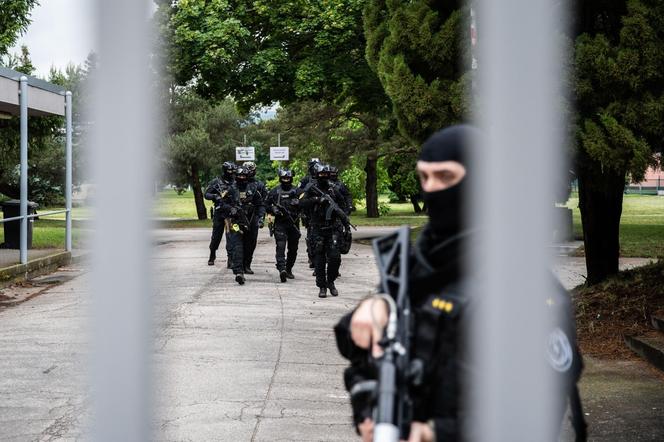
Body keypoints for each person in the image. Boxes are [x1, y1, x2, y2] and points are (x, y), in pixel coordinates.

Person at [333, 125, 584, 442]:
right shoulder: (419, 264)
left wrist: (437, 433)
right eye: (424, 177)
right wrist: (372, 308)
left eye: (446, 178)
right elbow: (362, 354)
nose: (432, 188)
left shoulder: (522, 284)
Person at [300, 163, 347, 298]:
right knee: (319, 260)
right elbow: (301, 203)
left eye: (325, 175)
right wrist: (316, 200)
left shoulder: (333, 189)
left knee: (335, 258)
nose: (323, 177)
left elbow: (343, 204)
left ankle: (330, 282)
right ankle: (322, 286)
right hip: (317, 228)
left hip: (333, 228)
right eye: (321, 175)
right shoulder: (310, 188)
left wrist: (342, 217)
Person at [223, 166, 264, 285]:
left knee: (249, 245)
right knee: (237, 247)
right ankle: (238, 272)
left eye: (244, 176)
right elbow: (221, 204)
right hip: (235, 223)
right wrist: (231, 209)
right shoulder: (230, 189)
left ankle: (246, 265)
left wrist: (261, 217)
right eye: (240, 176)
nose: (241, 178)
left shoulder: (253, 189)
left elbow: (260, 205)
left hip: (251, 222)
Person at [266, 169, 301, 282]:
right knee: (280, 247)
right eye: (284, 178)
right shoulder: (275, 191)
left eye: (288, 178)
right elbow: (265, 204)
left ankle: (289, 268)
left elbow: (307, 203)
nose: (286, 180)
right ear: (280, 178)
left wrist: (299, 203)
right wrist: (272, 209)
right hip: (280, 223)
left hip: (293, 223)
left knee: (293, 249)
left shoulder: (297, 191)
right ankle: (282, 269)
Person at [204, 161, 236, 266]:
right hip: (219, 212)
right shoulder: (216, 182)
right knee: (216, 236)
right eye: (229, 170)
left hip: (230, 213)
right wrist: (215, 196)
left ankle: (230, 259)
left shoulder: (236, 182)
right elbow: (206, 194)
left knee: (230, 236)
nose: (231, 172)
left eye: (233, 170)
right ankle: (212, 254)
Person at [242, 161, 267, 274]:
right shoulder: (238, 183)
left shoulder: (259, 185)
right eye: (248, 170)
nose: (250, 172)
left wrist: (262, 217)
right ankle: (236, 262)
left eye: (252, 170)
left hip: (254, 216)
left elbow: (263, 202)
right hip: (239, 216)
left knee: (252, 241)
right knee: (237, 240)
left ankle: (247, 264)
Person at [299, 158, 321, 270]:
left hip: (322, 211)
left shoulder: (324, 179)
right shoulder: (305, 180)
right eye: (314, 166)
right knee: (311, 236)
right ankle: (312, 257)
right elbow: (300, 196)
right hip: (309, 212)